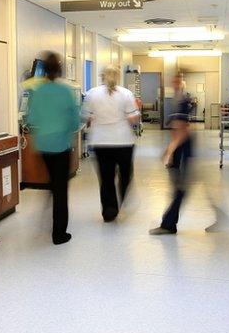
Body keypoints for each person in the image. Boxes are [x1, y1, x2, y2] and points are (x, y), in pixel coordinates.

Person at [26, 52, 80, 245]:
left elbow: (30, 119)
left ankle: (46, 216)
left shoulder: (37, 91)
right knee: (60, 190)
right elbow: (74, 121)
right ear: (59, 70)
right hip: (60, 146)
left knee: (53, 183)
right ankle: (59, 234)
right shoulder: (65, 91)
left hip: (43, 146)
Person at [83, 65, 140, 222]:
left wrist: (95, 118)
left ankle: (109, 210)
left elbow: (85, 116)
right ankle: (121, 198)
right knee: (126, 175)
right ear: (118, 76)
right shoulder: (126, 94)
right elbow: (134, 119)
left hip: (101, 142)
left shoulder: (91, 94)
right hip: (124, 142)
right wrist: (132, 116)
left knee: (106, 178)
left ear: (102, 76)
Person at [149, 74, 194, 235]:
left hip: (183, 148)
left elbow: (181, 132)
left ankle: (168, 224)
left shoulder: (182, 101)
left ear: (182, 82)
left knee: (180, 189)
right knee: (180, 188)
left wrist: (169, 151)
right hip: (181, 149)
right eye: (173, 80)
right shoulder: (177, 100)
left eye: (178, 81)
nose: (174, 83)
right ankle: (169, 223)